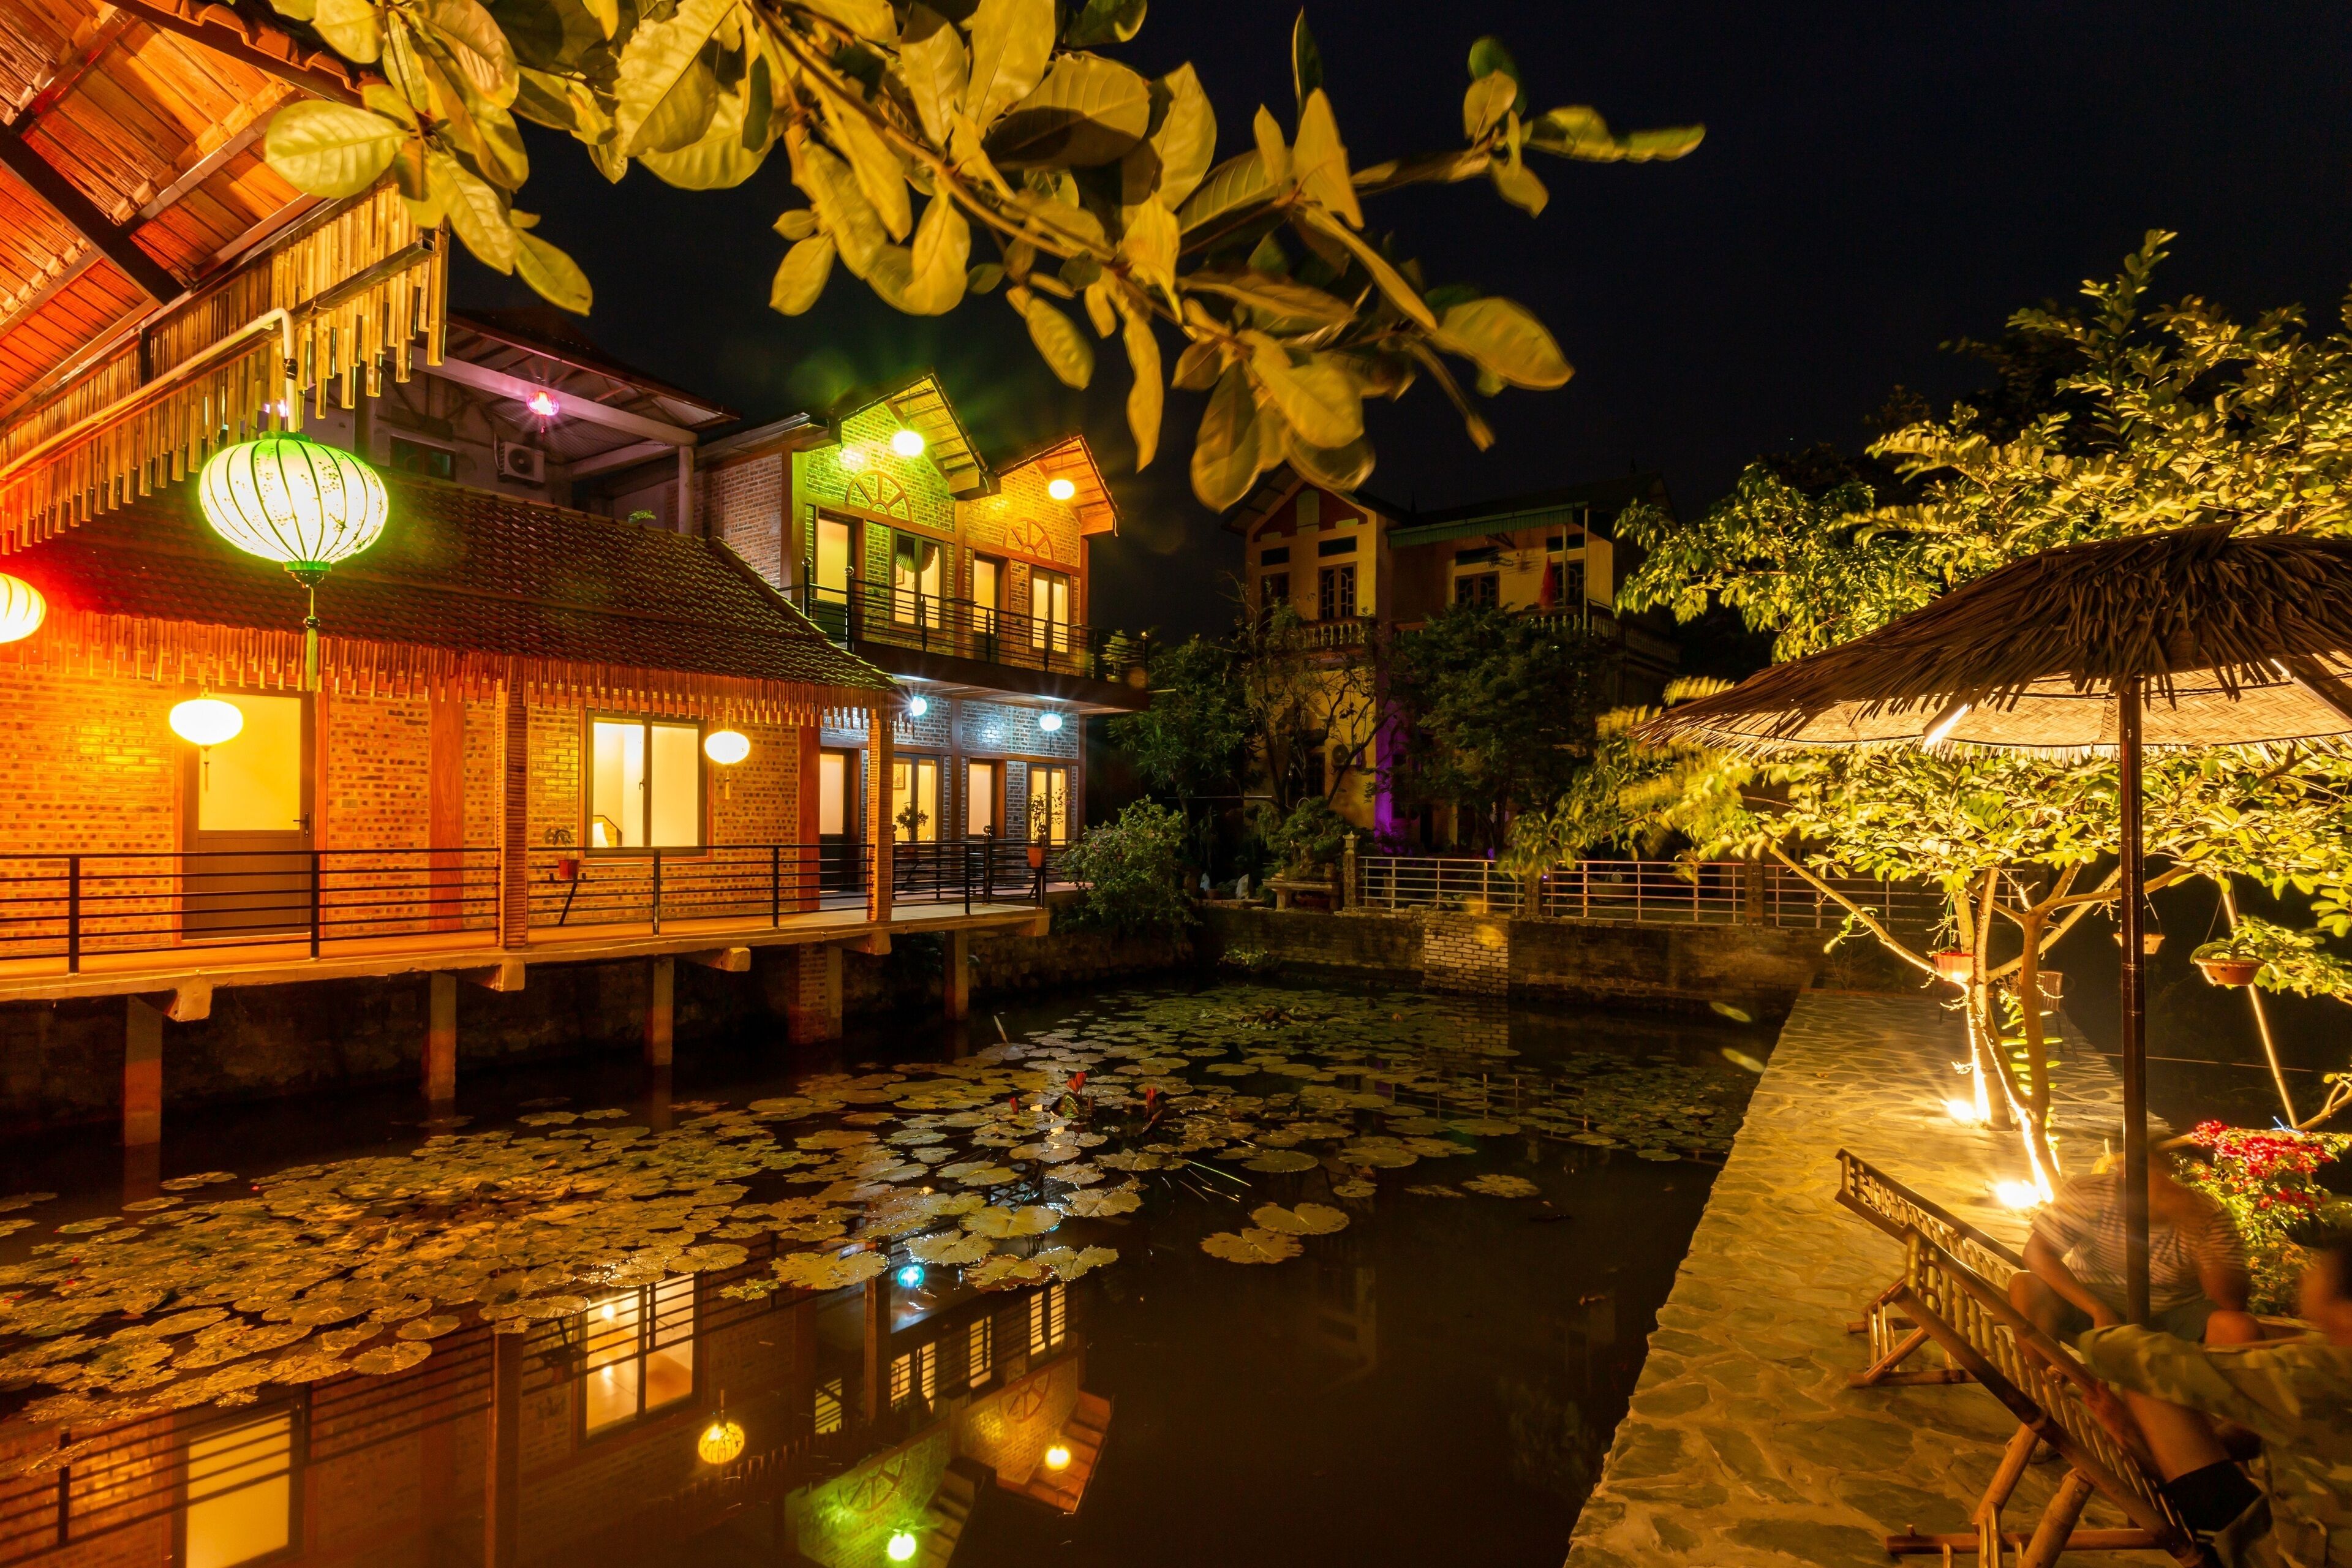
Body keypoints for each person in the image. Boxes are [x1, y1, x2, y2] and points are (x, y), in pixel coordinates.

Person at [2076, 1234, 2352, 1566]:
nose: (2305, 1275)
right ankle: (2148, 1444)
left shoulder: (2314, 1374)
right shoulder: (2322, 1362)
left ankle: (2146, 1448)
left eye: (2321, 1269)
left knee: (2149, 1381)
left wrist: (2101, 1318)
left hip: (2283, 1558)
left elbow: (2113, 1350)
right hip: (2317, 1531)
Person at [2011, 1152, 2262, 1346]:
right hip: (2091, 1299)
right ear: (2123, 1171)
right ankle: (2048, 1381)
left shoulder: (2206, 1213)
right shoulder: (2089, 1193)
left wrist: (2192, 1227)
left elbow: (2232, 1302)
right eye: (2134, 1169)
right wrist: (2097, 1308)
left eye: (2157, 1173)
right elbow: (2037, 1253)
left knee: (2239, 1329)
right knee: (2025, 1286)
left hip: (2173, 1315)